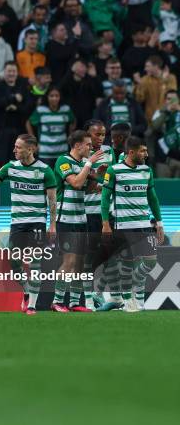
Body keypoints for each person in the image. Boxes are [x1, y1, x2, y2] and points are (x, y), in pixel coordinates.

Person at [0, 133, 57, 315]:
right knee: (14, 261)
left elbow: (52, 200)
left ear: (31, 149)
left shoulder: (45, 170)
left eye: (18, 147)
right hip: (17, 223)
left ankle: (32, 306)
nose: (14, 150)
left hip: (36, 222)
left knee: (36, 262)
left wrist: (52, 225)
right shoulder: (10, 167)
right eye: (15, 146)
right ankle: (27, 291)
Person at [101, 136, 164, 312]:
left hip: (144, 224)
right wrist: (105, 223)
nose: (146, 154)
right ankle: (129, 301)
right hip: (124, 226)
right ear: (131, 152)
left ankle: (134, 291)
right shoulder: (114, 171)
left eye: (146, 150)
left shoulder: (147, 170)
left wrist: (159, 222)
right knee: (127, 264)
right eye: (143, 151)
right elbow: (105, 198)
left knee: (151, 262)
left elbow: (152, 198)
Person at [51, 130, 105, 313]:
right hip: (66, 218)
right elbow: (75, 183)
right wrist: (89, 164)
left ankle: (74, 302)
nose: (91, 147)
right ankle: (57, 301)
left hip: (82, 218)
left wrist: (100, 178)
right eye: (88, 144)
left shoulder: (82, 163)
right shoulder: (63, 161)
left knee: (80, 263)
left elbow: (87, 188)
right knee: (70, 262)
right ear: (77, 145)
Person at [82, 119, 116, 310]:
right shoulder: (81, 154)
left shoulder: (109, 152)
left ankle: (98, 292)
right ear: (87, 133)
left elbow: (110, 180)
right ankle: (87, 298)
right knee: (89, 257)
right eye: (97, 134)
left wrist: (103, 178)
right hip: (88, 212)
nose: (101, 138)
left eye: (103, 134)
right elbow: (81, 186)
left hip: (106, 211)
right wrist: (96, 178)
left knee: (113, 253)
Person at [0, 61, 30, 169]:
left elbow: (28, 107)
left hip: (19, 130)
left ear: (17, 73)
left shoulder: (23, 87)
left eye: (13, 71)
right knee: (1, 160)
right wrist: (13, 98)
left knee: (19, 160)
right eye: (9, 71)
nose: (11, 73)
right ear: (4, 72)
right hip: (1, 130)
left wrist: (15, 107)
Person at [27, 85, 75, 168]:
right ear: (47, 97)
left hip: (62, 151)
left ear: (60, 97)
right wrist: (33, 141)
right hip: (44, 152)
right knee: (46, 178)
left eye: (57, 96)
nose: (54, 98)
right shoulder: (41, 110)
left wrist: (71, 134)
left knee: (62, 178)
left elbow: (73, 121)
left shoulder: (65, 109)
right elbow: (28, 123)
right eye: (51, 96)